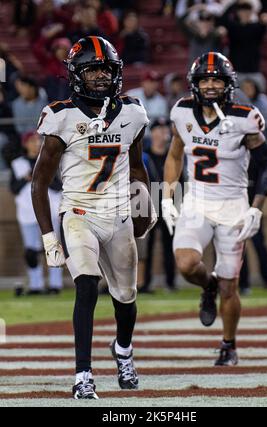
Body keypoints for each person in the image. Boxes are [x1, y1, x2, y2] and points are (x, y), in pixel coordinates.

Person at [32, 36, 154, 399]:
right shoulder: (61, 116)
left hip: (118, 216)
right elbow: (39, 183)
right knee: (86, 286)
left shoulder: (133, 113)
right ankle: (82, 375)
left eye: (106, 69)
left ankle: (123, 351)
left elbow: (137, 168)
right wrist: (49, 238)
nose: (101, 76)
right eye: (93, 70)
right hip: (79, 214)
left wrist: (145, 207)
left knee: (126, 298)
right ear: (76, 75)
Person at [162, 52, 267, 366]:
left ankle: (229, 344)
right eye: (205, 79)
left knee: (230, 285)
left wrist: (256, 208)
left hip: (232, 206)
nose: (210, 85)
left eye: (216, 79)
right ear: (195, 83)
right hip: (196, 202)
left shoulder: (245, 116)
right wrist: (167, 197)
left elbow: (266, 165)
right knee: (186, 263)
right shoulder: (181, 111)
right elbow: (174, 155)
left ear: (228, 83)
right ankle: (206, 285)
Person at [10, 131, 63, 296]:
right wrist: (27, 177)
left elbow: (57, 186)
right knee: (31, 251)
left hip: (49, 210)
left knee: (52, 247)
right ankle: (36, 284)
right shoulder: (17, 163)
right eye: (32, 141)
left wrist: (42, 176)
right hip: (27, 211)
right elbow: (14, 188)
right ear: (25, 144)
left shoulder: (50, 161)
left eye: (38, 140)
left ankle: (55, 284)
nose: (37, 143)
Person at [140, 118, 177, 294]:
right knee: (147, 246)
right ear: (153, 133)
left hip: (170, 202)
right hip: (149, 204)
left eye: (165, 129)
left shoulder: (173, 154)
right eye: (159, 129)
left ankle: (171, 282)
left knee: (170, 245)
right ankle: (145, 282)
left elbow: (180, 180)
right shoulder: (144, 155)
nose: (163, 133)